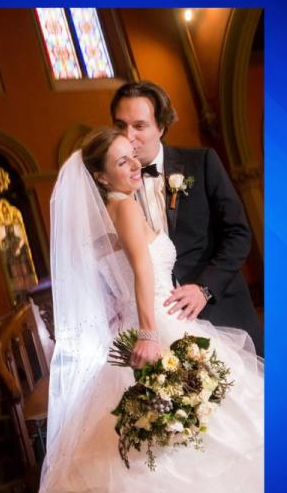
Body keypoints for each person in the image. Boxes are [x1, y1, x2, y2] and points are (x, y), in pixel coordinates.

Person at [36, 128, 264, 493]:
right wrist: (149, 335)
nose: (134, 165)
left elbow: (109, 286)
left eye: (133, 156)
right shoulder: (124, 207)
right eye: (121, 161)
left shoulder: (105, 216)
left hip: (143, 322)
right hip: (158, 325)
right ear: (100, 176)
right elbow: (143, 272)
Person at [112, 81, 263, 356]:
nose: (128, 136)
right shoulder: (113, 189)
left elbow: (238, 234)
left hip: (221, 312)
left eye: (139, 126)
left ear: (161, 127)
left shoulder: (201, 163)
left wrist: (204, 289)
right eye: (121, 126)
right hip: (160, 327)